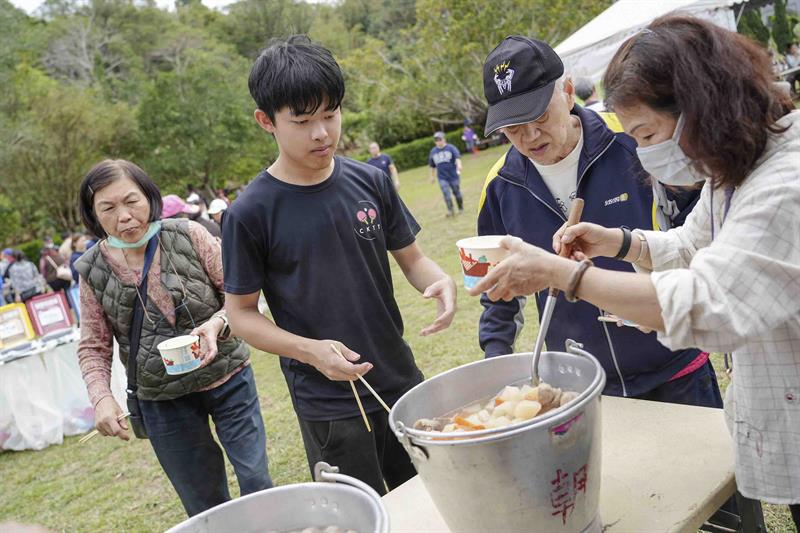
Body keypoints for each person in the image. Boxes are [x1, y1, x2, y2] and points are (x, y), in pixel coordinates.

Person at [469, 16, 800, 525]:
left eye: (646, 133)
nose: (644, 153)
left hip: (692, 375)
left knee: (724, 509)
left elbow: (709, 302)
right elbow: (692, 244)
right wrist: (618, 243)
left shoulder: (784, 184)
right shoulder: (734, 167)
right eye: (513, 128)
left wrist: (565, 275)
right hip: (606, 385)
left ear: (703, 105)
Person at [223, 35, 456, 495]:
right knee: (359, 514)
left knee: (433, 497)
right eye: (303, 120)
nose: (322, 133)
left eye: (330, 114)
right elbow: (240, 315)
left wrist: (439, 280)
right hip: (328, 402)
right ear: (265, 121)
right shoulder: (248, 213)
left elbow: (413, 260)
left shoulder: (369, 181)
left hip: (400, 379)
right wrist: (311, 351)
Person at [477, 35, 718, 408]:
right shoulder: (499, 186)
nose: (528, 136)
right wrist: (495, 359)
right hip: (583, 387)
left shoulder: (636, 140)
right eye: (512, 128)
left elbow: (698, 234)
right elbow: (495, 289)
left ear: (568, 91)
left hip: (674, 368)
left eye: (539, 116)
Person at [75, 159, 273, 517]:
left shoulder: (188, 234)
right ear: (93, 215)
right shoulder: (92, 269)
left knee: (256, 480)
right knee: (205, 505)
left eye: (131, 201)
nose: (124, 216)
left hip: (228, 377)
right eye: (108, 208)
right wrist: (101, 398)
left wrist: (217, 324)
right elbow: (93, 345)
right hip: (162, 400)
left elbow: (243, 297)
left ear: (149, 196)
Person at [428, 131, 463, 217]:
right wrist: (432, 177)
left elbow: (457, 158)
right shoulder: (433, 151)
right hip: (442, 177)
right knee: (446, 193)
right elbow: (432, 166)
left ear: (444, 139)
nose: (438, 141)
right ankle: (450, 211)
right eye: (436, 140)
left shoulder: (451, 148)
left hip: (453, 176)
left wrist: (459, 165)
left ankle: (461, 208)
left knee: (457, 193)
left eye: (440, 139)